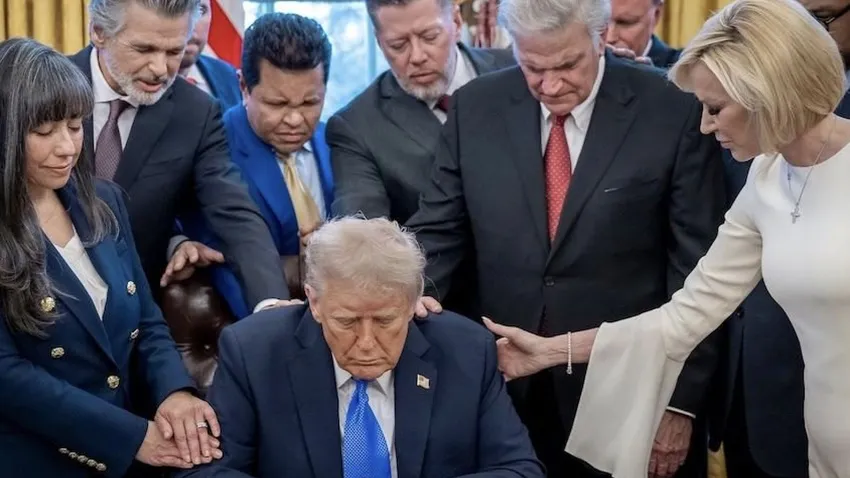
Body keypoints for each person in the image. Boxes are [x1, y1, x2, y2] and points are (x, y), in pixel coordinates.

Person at [483, 1, 850, 477]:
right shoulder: (765, 179)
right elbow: (684, 318)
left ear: (767, 94)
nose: (704, 126)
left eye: (715, 108)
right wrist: (549, 351)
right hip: (824, 444)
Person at [403, 0, 726, 475]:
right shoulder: (476, 107)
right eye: (533, 68)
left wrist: (681, 403)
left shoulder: (671, 107)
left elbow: (699, 270)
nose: (550, 85)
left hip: (632, 392)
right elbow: (439, 230)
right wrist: (406, 289)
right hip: (507, 388)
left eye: (568, 65)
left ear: (601, 36)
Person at [0, 38, 222, 478]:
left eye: (74, 126)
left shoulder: (104, 201)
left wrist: (174, 392)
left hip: (133, 453)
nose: (67, 147)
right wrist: (131, 438)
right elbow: (8, 376)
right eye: (44, 132)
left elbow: (148, 321)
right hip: (41, 457)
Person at [177, 217, 545, 478]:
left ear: (412, 303)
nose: (366, 343)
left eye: (385, 321)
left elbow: (519, 469)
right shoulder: (254, 351)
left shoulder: (465, 349)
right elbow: (206, 472)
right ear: (314, 302)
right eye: (347, 322)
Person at [69, 0, 290, 312]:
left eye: (174, 52)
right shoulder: (35, 87)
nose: (160, 69)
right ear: (99, 32)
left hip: (136, 317)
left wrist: (272, 304)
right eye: (144, 49)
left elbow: (234, 213)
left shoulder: (197, 113)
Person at [180, 12, 335, 318]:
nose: (295, 119)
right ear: (243, 86)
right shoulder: (211, 153)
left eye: (310, 103)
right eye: (277, 104)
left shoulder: (337, 140)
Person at [179, 0, 242, 110]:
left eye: (201, 10)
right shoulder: (147, 84)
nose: (191, 25)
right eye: (179, 9)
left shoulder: (228, 75)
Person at [606, 0, 681, 68]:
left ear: (656, 14)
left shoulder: (681, 72)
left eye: (625, 22)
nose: (609, 38)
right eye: (601, 21)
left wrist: (653, 77)